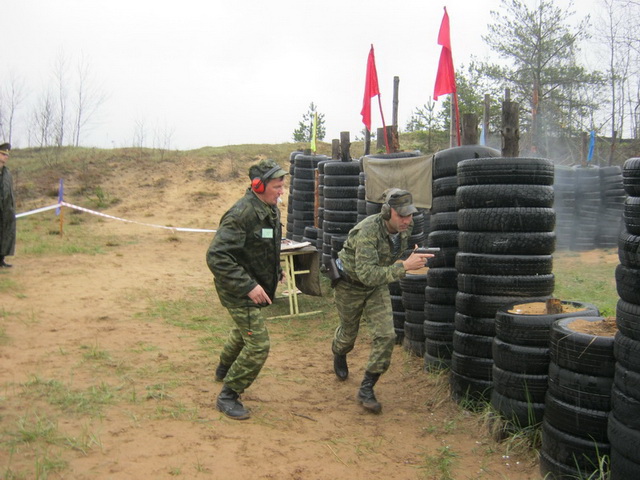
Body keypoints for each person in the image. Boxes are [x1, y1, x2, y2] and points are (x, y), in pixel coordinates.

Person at [331, 188, 433, 413]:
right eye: (402, 215)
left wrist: (415, 254)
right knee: (348, 334)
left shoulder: (407, 226)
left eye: (410, 215)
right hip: (350, 286)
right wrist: (404, 267)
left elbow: (390, 260)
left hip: (376, 287)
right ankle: (339, 352)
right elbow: (367, 275)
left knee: (387, 335)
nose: (407, 220)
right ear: (388, 213)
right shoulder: (367, 232)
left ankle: (367, 388)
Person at [206, 158, 287, 420]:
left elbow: (264, 245)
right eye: (276, 186)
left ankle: (222, 369)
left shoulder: (269, 208)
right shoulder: (241, 214)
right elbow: (217, 256)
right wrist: (249, 286)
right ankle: (228, 395)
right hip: (237, 289)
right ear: (258, 186)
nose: (281, 191)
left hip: (256, 283)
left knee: (243, 332)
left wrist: (276, 270)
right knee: (258, 344)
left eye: (282, 186)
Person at [0, 143, 16, 268]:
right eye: (3, 154)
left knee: (5, 234)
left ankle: (1, 259)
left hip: (5, 210)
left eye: (7, 155)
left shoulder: (7, 173)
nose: (6, 157)